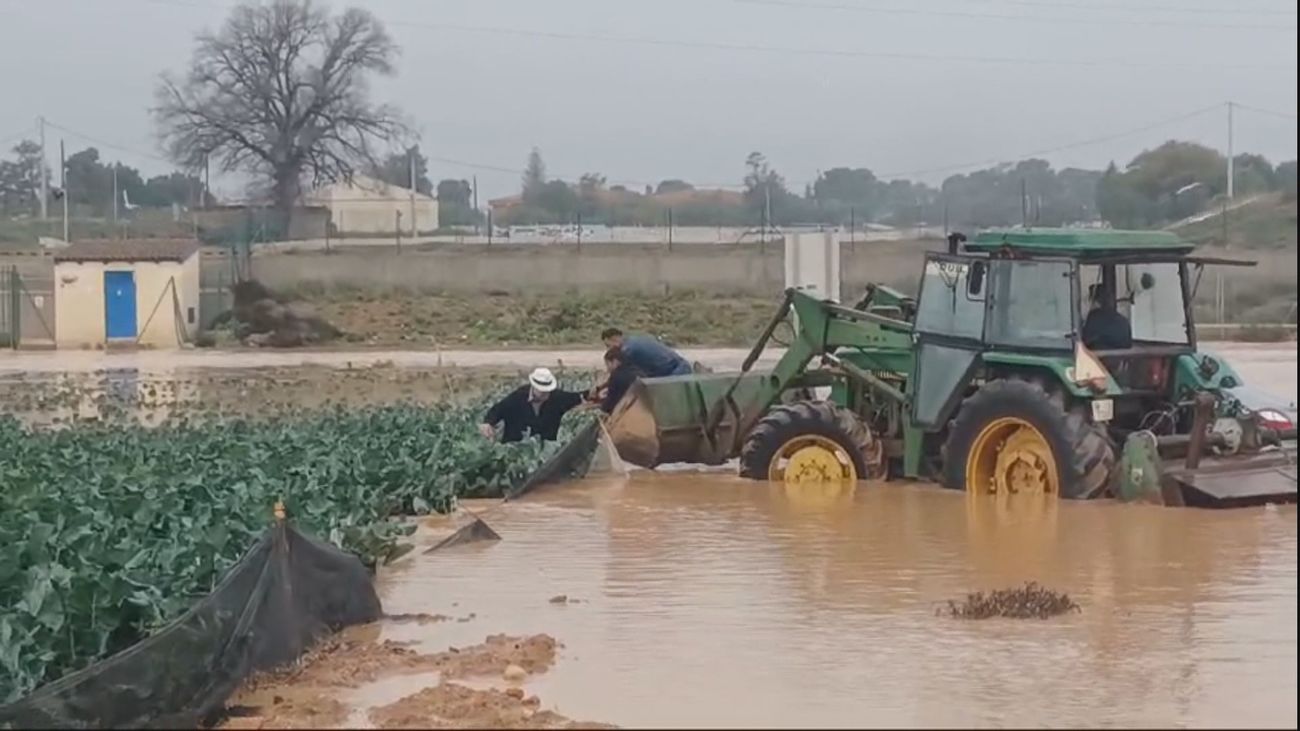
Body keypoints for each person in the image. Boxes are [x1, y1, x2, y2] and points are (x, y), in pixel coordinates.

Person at [479, 367, 587, 443]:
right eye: (542, 391)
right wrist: (488, 423)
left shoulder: (556, 397)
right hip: (516, 447)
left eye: (547, 391)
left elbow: (577, 397)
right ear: (533, 387)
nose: (545, 394)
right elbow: (499, 409)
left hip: (545, 452)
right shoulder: (518, 397)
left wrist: (596, 393)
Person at [600, 327, 692, 378]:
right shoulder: (636, 339)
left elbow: (620, 373)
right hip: (681, 367)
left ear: (614, 339)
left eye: (608, 346)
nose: (609, 350)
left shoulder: (628, 350)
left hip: (675, 372)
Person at [1082, 283, 1132, 351]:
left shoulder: (1094, 317)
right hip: (1122, 359)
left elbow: (1085, 341)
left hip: (1099, 359)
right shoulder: (1123, 320)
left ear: (1093, 300)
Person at [600, 346, 644, 414]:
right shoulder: (639, 371)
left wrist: (599, 407)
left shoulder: (616, 376)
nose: (608, 369)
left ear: (615, 361)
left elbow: (609, 403)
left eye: (608, 364)